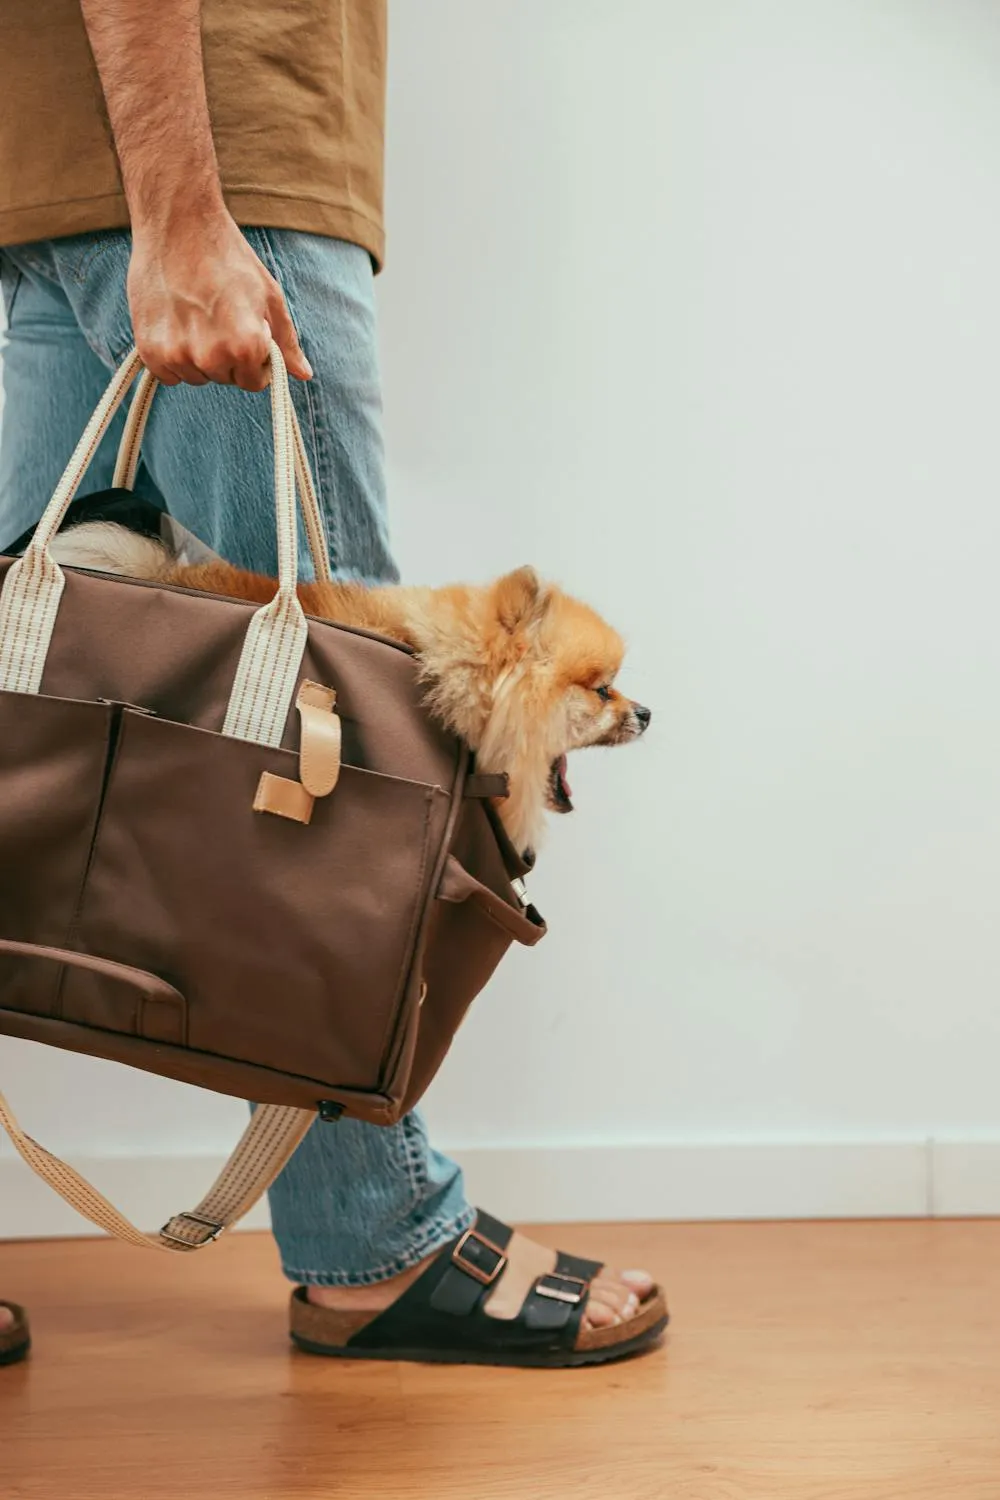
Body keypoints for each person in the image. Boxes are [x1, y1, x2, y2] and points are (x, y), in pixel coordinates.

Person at [0, 0, 665, 1366]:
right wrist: (184, 211)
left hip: (47, 175)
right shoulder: (202, 198)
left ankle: (371, 1221)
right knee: (347, 744)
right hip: (214, 170)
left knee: (19, 709)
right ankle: (378, 1238)